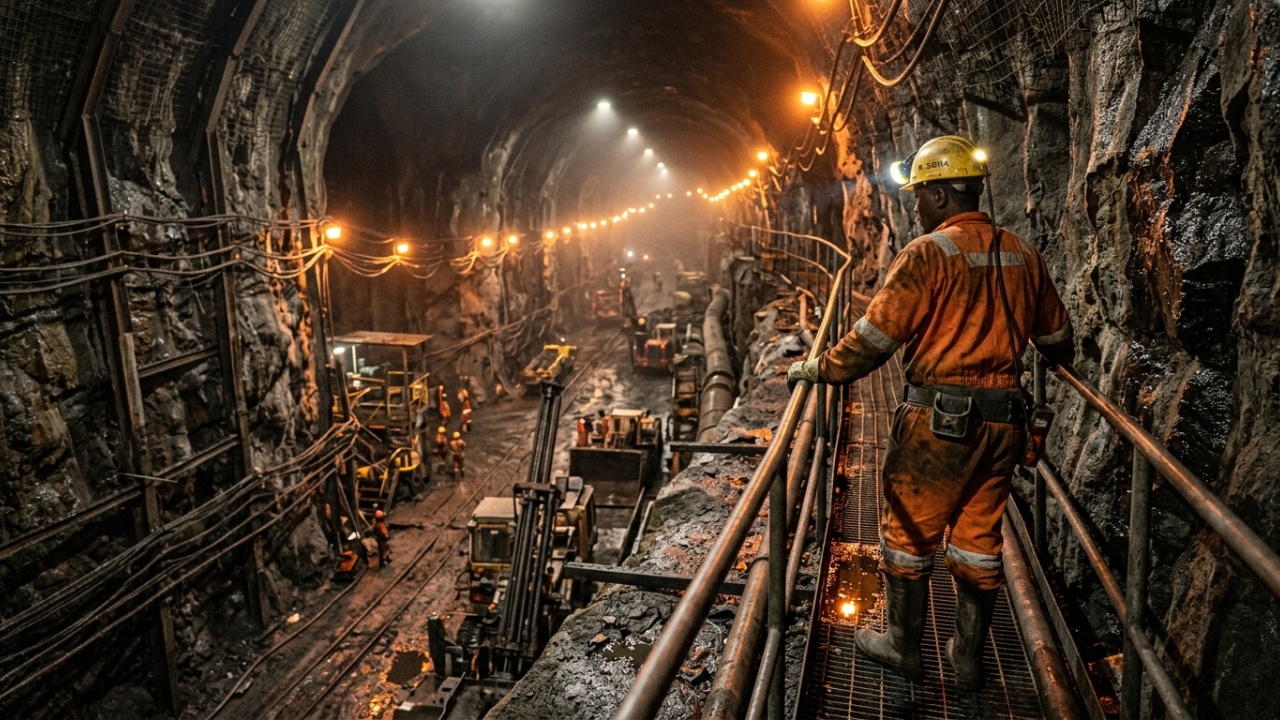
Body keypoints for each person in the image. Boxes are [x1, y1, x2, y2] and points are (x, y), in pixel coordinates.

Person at [788, 135, 1074, 691]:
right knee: (977, 537)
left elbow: (874, 339)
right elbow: (1058, 339)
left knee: (907, 533)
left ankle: (902, 646)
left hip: (940, 425)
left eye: (920, 194)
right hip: (1004, 423)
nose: (915, 205)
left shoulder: (926, 255)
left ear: (942, 195)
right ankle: (967, 660)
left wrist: (819, 368)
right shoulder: (1022, 252)